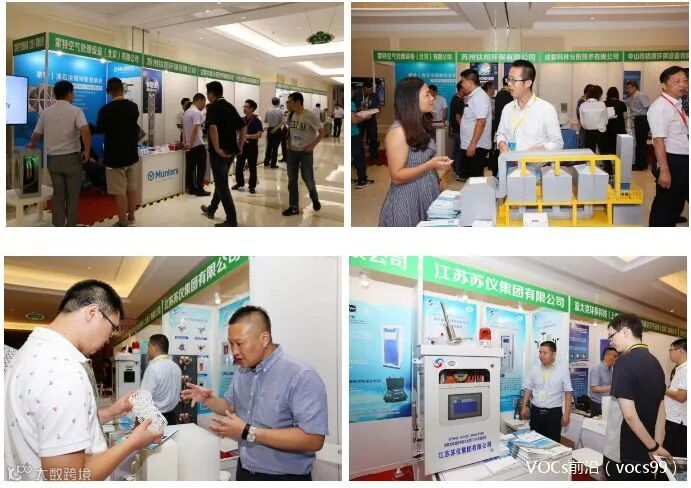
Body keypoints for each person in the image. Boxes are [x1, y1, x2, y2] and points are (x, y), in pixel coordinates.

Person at [4, 280, 163, 481]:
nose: (109, 338)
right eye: (112, 328)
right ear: (92, 313)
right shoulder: (63, 371)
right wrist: (132, 443)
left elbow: (49, 426)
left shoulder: (27, 352)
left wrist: (112, 411)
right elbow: (67, 478)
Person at [181, 306, 327, 481]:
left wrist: (248, 432)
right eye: (231, 344)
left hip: (283, 477)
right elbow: (229, 406)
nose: (234, 351)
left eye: (240, 343)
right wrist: (208, 399)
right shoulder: (242, 371)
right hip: (245, 470)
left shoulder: (301, 375)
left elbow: (313, 439)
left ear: (264, 339)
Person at [603, 313, 669, 481]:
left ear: (625, 331)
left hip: (623, 453)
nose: (611, 341)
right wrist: (656, 446)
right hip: (646, 453)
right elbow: (661, 410)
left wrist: (653, 447)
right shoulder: (656, 363)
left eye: (611, 335)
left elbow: (630, 416)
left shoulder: (623, 362)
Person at [379, 77, 452, 227]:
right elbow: (397, 177)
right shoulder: (398, 132)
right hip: (408, 198)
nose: (432, 98)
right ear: (411, 100)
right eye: (427, 95)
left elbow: (422, 159)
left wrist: (436, 175)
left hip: (426, 190)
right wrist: (430, 164)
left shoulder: (421, 124)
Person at [27, 80, 90, 227]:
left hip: (53, 160)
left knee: (58, 195)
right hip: (72, 159)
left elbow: (36, 134)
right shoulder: (76, 111)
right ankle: (71, 225)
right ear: (68, 94)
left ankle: (58, 226)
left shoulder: (46, 112)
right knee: (72, 196)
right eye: (72, 93)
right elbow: (85, 130)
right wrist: (86, 151)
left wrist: (33, 144)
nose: (73, 96)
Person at [93, 78, 140, 227]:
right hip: (132, 154)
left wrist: (88, 127)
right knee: (132, 189)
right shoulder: (133, 107)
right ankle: (131, 217)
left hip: (115, 158)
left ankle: (122, 222)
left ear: (108, 91)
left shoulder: (105, 110)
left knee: (119, 192)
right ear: (122, 89)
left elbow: (99, 129)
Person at [647, 66, 689, 227]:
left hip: (682, 161)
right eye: (677, 81)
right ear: (664, 86)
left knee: (675, 203)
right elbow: (658, 140)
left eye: (685, 80)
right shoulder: (660, 107)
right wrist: (664, 170)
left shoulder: (677, 104)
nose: (683, 85)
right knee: (666, 208)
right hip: (672, 161)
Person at [200, 81, 246, 227]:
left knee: (222, 186)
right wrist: (240, 146)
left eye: (208, 93)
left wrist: (217, 148)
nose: (207, 96)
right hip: (231, 151)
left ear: (212, 93)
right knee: (221, 182)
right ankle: (212, 209)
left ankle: (231, 220)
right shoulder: (230, 106)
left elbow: (213, 128)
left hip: (219, 154)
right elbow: (243, 126)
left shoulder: (213, 107)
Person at [496, 60, 563, 153]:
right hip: (509, 161)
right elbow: (500, 134)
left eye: (513, 80)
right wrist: (501, 144)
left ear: (528, 83)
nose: (509, 84)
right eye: (509, 79)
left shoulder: (546, 109)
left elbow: (557, 143)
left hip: (535, 162)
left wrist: (533, 153)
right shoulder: (507, 108)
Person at [520, 341, 573, 442]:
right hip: (536, 412)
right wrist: (523, 407)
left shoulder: (562, 370)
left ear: (554, 354)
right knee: (534, 442)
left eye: (545, 353)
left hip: (554, 414)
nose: (541, 355)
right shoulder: (534, 369)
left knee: (552, 443)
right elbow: (528, 388)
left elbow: (568, 393)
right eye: (540, 352)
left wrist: (567, 414)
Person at [281, 92, 325, 217]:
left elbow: (322, 132)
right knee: (292, 180)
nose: (288, 104)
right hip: (292, 152)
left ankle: (314, 198)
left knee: (308, 179)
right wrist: (288, 144)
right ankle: (293, 207)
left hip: (306, 152)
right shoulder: (291, 114)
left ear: (297, 102)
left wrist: (312, 146)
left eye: (290, 101)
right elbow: (289, 130)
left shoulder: (310, 116)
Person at [140, 334, 182, 426]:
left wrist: (138, 422)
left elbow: (143, 400)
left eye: (149, 347)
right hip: (171, 418)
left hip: (155, 420)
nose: (147, 350)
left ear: (155, 348)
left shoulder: (153, 368)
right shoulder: (176, 367)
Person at [459, 69, 492, 178]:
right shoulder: (474, 96)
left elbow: (481, 122)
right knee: (471, 178)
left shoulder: (479, 97)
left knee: (475, 179)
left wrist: (472, 145)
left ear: (470, 82)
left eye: (463, 81)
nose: (461, 84)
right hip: (471, 146)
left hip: (476, 147)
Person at [182, 93, 210, 197]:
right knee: (201, 168)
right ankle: (200, 189)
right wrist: (191, 144)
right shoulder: (196, 112)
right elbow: (194, 130)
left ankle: (191, 189)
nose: (204, 105)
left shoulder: (186, 112)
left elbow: (183, 129)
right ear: (199, 100)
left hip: (189, 146)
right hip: (197, 145)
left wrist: (186, 142)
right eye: (204, 102)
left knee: (190, 168)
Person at [233, 99, 263, 194]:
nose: (244, 108)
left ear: (252, 108)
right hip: (242, 146)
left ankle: (252, 186)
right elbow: (237, 131)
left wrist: (248, 136)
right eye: (244, 106)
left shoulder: (257, 121)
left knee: (252, 167)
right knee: (239, 165)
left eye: (246, 107)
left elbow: (259, 135)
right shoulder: (241, 119)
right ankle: (239, 183)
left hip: (252, 147)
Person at [664, 338, 686, 457]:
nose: (669, 353)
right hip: (675, 420)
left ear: (680, 351)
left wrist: (663, 389)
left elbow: (681, 396)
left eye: (671, 350)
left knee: (675, 457)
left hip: (679, 423)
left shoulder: (687, 369)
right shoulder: (680, 368)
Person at [624, 80, 651, 170]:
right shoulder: (632, 97)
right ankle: (640, 164)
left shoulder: (640, 95)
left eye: (629, 88)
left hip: (643, 119)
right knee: (639, 143)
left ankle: (640, 165)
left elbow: (648, 107)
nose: (627, 90)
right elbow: (624, 102)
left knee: (641, 143)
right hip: (637, 120)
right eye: (627, 88)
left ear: (635, 87)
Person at [579, 85, 608, 163]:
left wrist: (587, 126)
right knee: (604, 152)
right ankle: (609, 170)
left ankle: (590, 169)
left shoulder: (583, 105)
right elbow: (605, 119)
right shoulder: (602, 104)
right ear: (598, 95)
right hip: (600, 132)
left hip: (588, 132)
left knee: (590, 154)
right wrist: (602, 126)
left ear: (587, 94)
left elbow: (582, 121)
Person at [603, 87, 628, 175]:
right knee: (619, 150)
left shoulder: (604, 103)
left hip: (608, 130)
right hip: (620, 129)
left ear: (608, 94)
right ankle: (619, 168)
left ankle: (609, 168)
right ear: (617, 94)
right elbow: (625, 117)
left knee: (607, 150)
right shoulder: (622, 104)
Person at [352, 85, 373, 189]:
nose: (354, 93)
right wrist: (365, 117)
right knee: (359, 157)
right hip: (353, 134)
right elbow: (354, 120)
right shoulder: (350, 103)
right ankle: (362, 181)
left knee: (352, 156)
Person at [355, 81, 382, 163]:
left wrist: (377, 108)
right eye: (367, 91)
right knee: (358, 139)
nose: (369, 92)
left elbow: (378, 106)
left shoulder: (375, 95)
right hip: (360, 120)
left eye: (370, 90)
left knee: (373, 139)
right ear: (363, 88)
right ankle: (358, 158)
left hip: (371, 120)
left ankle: (374, 157)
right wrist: (359, 108)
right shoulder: (357, 95)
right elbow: (352, 108)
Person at [589, 347, 618, 417]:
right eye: (614, 356)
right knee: (597, 424)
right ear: (606, 356)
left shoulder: (611, 369)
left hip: (608, 403)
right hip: (598, 404)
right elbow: (594, 389)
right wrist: (613, 386)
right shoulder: (596, 369)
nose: (616, 359)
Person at [449, 81, 466, 180]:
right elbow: (458, 117)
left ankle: (455, 170)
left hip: (456, 130)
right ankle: (458, 172)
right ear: (462, 88)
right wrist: (464, 129)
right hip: (459, 130)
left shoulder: (456, 98)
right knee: (459, 151)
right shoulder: (458, 100)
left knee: (456, 150)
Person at [263, 97, 284, 168]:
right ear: (279, 102)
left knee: (269, 146)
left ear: (272, 102)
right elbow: (282, 122)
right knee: (275, 148)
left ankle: (266, 162)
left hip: (269, 129)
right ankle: (273, 164)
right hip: (277, 130)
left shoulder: (268, 110)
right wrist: (275, 128)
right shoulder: (281, 111)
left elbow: (265, 121)